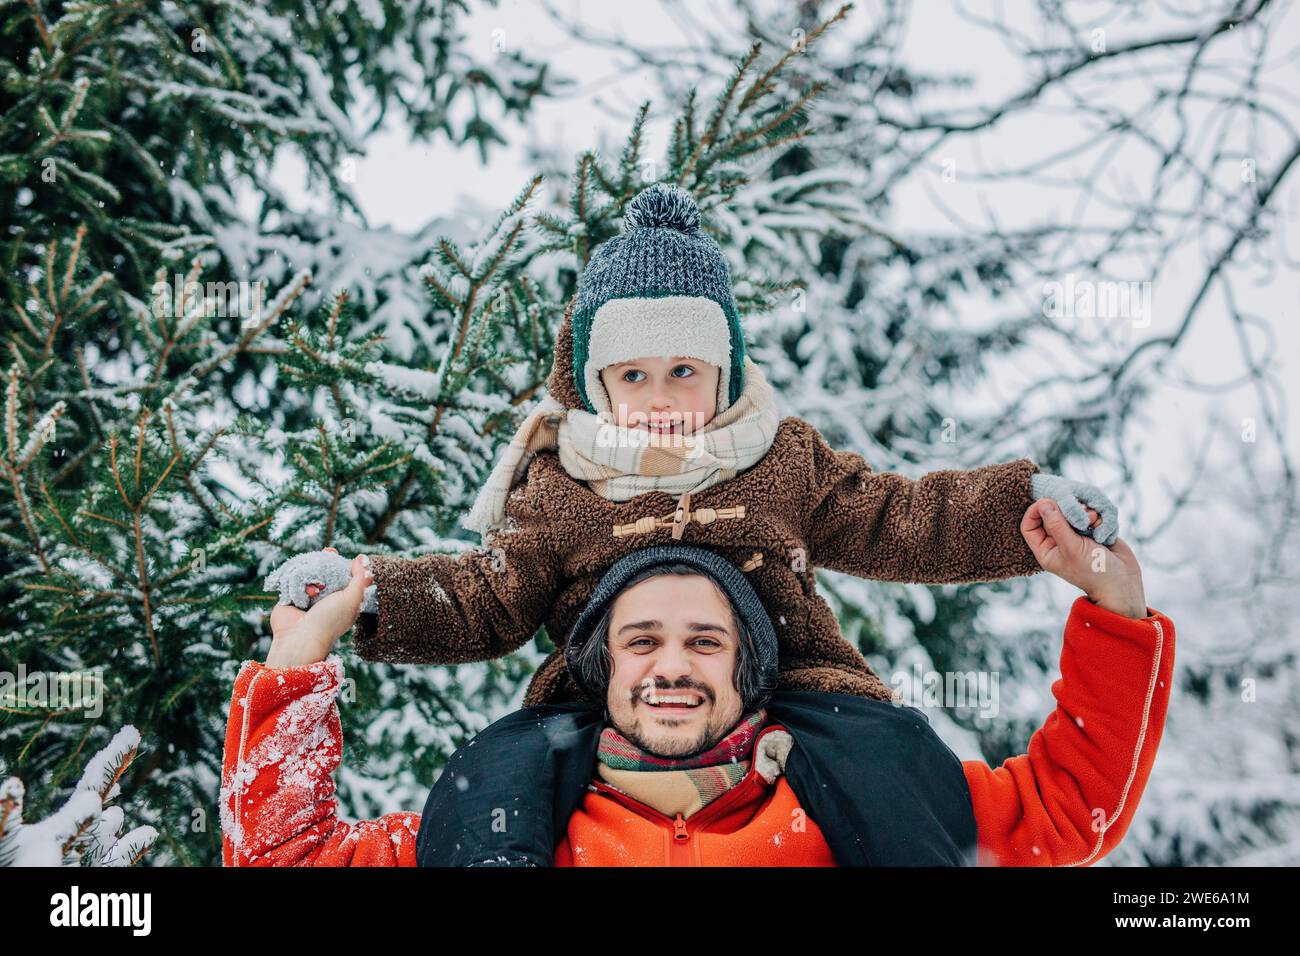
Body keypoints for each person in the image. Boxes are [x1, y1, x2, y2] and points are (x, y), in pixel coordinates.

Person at [263, 181, 1118, 714]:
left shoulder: (779, 457)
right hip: (608, 703)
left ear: (726, 369)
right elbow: (486, 598)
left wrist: (1024, 507)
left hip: (795, 686)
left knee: (891, 763)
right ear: (596, 384)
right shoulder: (562, 486)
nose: (661, 397)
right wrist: (369, 596)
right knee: (500, 784)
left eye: (684, 368)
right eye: (632, 376)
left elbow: (900, 519)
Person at [221, 497, 1173, 866]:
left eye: (704, 642)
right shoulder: (504, 818)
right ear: (602, 670)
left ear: (750, 669)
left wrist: (1116, 618)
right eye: (639, 642)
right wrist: (296, 670)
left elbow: (1065, 809)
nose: (671, 664)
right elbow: (283, 863)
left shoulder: (861, 796)